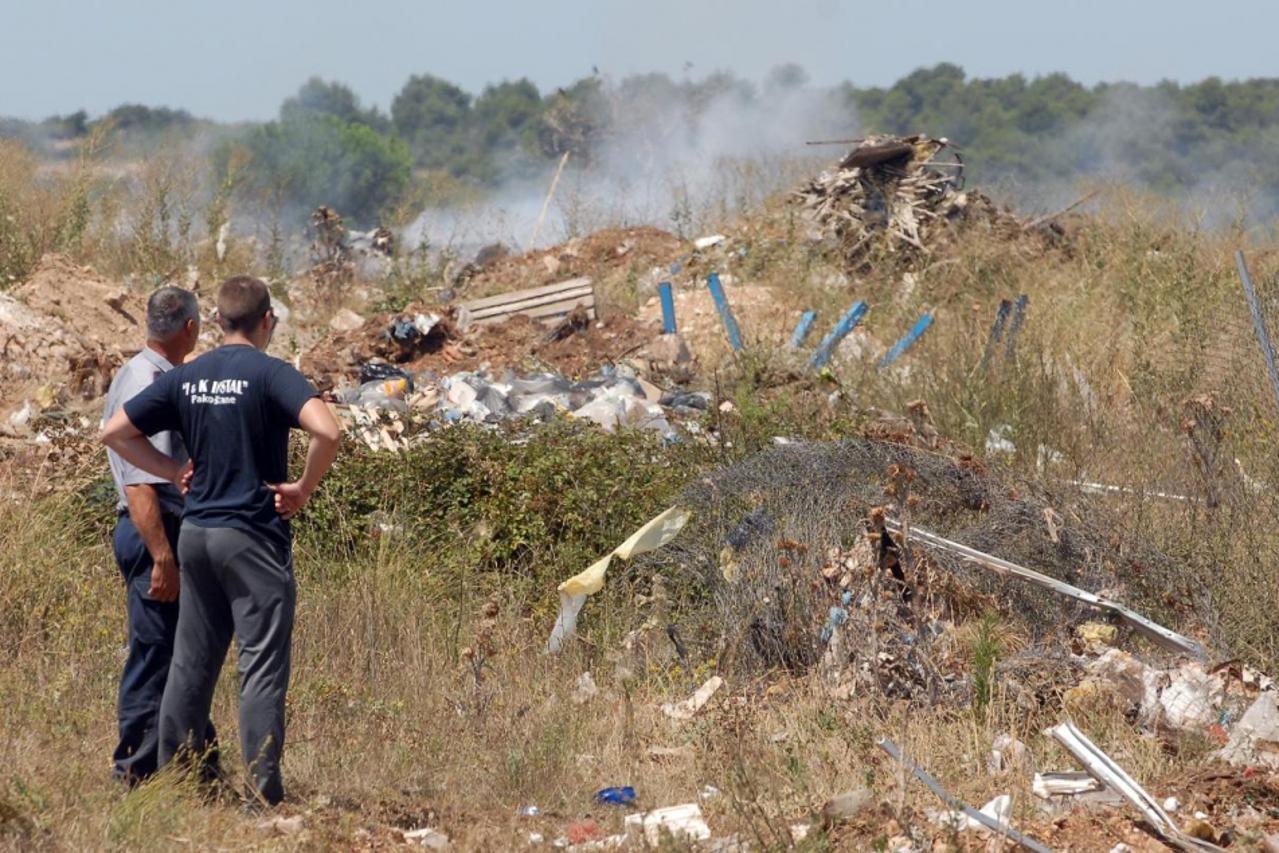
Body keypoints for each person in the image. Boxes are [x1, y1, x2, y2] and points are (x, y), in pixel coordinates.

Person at [101, 275, 340, 805]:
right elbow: (328, 430)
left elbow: (113, 433)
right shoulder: (272, 373)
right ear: (267, 321)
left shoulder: (190, 374)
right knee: (259, 665)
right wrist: (301, 488)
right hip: (251, 539)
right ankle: (262, 794)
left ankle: (180, 786)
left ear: (216, 321)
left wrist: (167, 467)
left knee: (190, 663)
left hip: (196, 535)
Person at [102, 285, 216, 785]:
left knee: (176, 650)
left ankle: (197, 765)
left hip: (160, 533)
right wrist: (162, 556)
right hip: (153, 533)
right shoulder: (149, 381)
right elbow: (140, 480)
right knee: (155, 655)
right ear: (189, 327)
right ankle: (136, 773)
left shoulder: (154, 374)